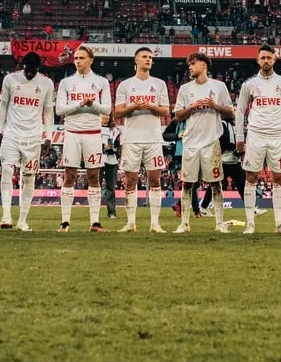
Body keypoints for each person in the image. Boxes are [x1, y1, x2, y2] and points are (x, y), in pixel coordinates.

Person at [171, 50, 234, 233]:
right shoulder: (185, 89)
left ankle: (220, 223)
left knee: (216, 183)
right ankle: (184, 224)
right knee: (187, 183)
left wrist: (215, 106)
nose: (190, 67)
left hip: (211, 142)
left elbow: (230, 112)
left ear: (203, 65)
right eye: (189, 64)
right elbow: (178, 115)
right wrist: (192, 106)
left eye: (193, 63)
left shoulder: (219, 86)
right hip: (190, 143)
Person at [112, 47, 172, 232]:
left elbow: (166, 110)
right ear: (136, 60)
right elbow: (118, 112)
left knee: (155, 180)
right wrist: (134, 106)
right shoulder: (125, 85)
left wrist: (151, 106)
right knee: (130, 181)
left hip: (153, 139)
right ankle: (131, 222)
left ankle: (155, 223)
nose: (148, 59)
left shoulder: (160, 84)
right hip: (131, 139)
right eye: (144, 56)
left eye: (150, 57)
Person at [0, 52, 55, 230]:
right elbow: (3, 106)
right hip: (11, 134)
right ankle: (6, 216)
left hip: (33, 137)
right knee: (7, 170)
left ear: (38, 69)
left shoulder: (46, 83)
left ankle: (22, 220)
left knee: (29, 177)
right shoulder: (10, 79)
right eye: (27, 68)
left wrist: (48, 137)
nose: (29, 72)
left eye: (33, 70)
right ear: (23, 66)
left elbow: (48, 112)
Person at [235, 44, 281, 235]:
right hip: (255, 134)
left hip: (276, 135)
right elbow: (240, 111)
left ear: (274, 59)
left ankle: (279, 225)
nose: (266, 61)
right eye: (263, 58)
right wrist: (239, 137)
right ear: (258, 60)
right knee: (251, 177)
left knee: (279, 178)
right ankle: (250, 224)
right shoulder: (249, 84)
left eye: (269, 57)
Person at [54, 45, 112, 232]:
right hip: (72, 133)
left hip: (93, 133)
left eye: (81, 58)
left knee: (94, 176)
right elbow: (59, 110)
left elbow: (107, 109)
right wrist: (80, 104)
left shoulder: (101, 82)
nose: (78, 61)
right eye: (76, 58)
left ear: (90, 60)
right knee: (69, 175)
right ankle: (64, 222)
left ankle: (95, 222)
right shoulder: (66, 83)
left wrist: (92, 103)